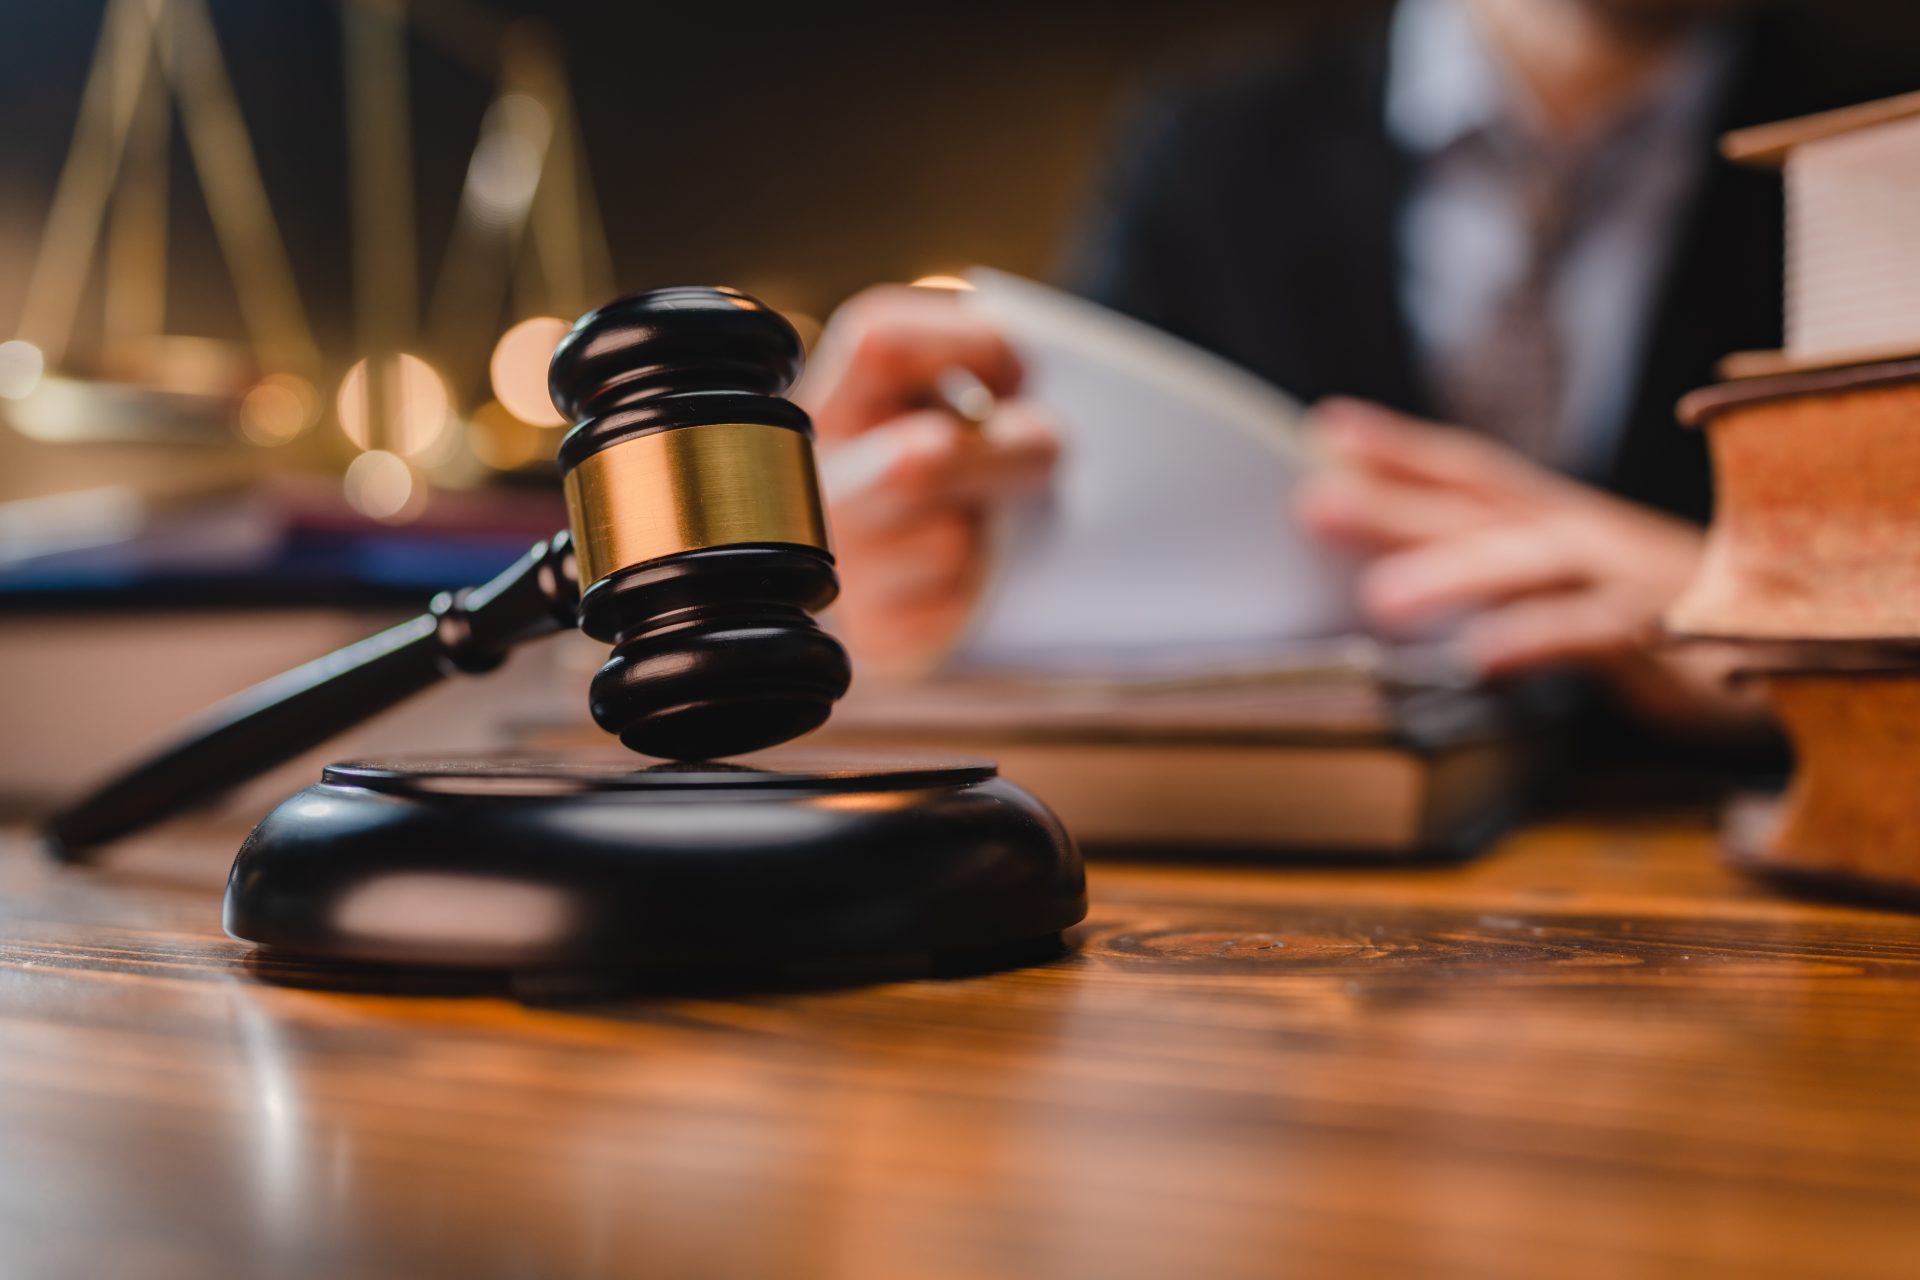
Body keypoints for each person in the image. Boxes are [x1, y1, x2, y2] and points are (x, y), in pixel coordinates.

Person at [794, 0, 1908, 739]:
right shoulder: (1206, 146)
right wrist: (917, 573)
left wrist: (1820, 633)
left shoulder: (1883, 154)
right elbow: (1055, 543)